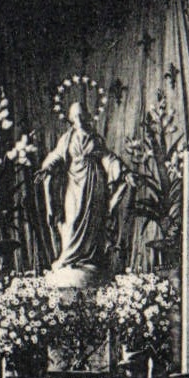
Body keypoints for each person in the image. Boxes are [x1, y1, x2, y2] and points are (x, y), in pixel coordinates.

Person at [38, 98, 126, 286]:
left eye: (81, 114)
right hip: (74, 185)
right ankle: (68, 257)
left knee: (93, 224)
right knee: (72, 220)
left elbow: (107, 157)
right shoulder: (67, 138)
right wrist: (47, 168)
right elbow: (57, 156)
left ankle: (89, 260)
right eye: (74, 115)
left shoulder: (95, 138)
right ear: (70, 118)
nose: (78, 118)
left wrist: (120, 169)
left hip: (95, 185)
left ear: (86, 116)